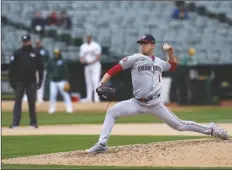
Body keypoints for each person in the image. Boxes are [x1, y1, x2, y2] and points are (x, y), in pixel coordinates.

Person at [86, 34, 229, 153]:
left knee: (179, 125)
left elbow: (173, 66)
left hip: (155, 104)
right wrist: (101, 84)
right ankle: (102, 144)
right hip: (136, 102)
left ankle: (212, 129)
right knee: (112, 112)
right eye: (141, 43)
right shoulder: (135, 58)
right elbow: (114, 69)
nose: (143, 45)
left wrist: (170, 51)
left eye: (145, 43)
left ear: (153, 45)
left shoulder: (159, 62)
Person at [8, 34, 44, 128]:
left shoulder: (35, 53)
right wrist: (11, 81)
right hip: (19, 81)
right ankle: (15, 122)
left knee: (31, 102)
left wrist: (40, 81)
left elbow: (40, 68)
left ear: (30, 41)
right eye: (24, 41)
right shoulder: (17, 53)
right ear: (22, 42)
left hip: (31, 81)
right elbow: (12, 68)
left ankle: (33, 122)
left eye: (27, 41)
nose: (25, 43)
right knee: (18, 101)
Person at [47, 48, 73, 114]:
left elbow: (65, 71)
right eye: (55, 53)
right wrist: (50, 77)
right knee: (52, 95)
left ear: (59, 54)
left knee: (65, 94)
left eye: (57, 53)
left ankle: (69, 107)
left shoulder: (62, 61)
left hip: (61, 81)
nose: (56, 55)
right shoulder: (51, 61)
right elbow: (49, 70)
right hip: (53, 81)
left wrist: (66, 80)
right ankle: (52, 108)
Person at [79, 34, 102, 103]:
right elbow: (81, 57)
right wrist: (83, 61)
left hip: (95, 65)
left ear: (91, 38)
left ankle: (96, 99)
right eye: (87, 38)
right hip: (87, 66)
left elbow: (98, 56)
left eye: (89, 38)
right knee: (88, 82)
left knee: (95, 81)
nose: (88, 39)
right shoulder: (83, 46)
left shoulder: (96, 45)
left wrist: (91, 62)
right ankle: (89, 98)